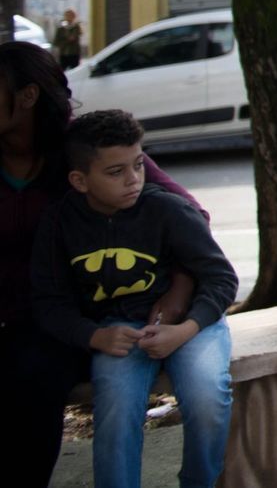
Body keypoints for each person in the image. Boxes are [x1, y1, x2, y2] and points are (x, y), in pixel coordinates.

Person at [2, 44, 201, 488]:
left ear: (27, 96)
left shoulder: (83, 151)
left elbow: (190, 215)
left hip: (60, 323)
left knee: (34, 375)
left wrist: (177, 293)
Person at [32, 110, 237, 488]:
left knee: (208, 395)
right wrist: (95, 336)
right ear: (79, 180)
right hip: (117, 332)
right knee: (115, 408)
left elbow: (221, 278)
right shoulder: (59, 223)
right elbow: (49, 303)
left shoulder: (168, 209)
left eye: (139, 165)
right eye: (116, 172)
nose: (133, 179)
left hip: (193, 326)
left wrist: (185, 329)